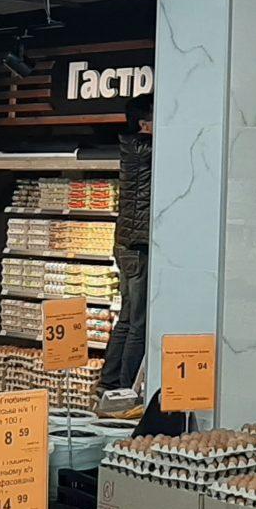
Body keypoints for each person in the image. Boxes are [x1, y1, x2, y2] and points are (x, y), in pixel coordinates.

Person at [99, 92, 151, 403]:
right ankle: (126, 390)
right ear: (145, 124)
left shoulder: (132, 147)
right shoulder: (146, 149)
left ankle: (109, 383)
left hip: (126, 244)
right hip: (140, 246)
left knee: (128, 318)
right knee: (139, 323)